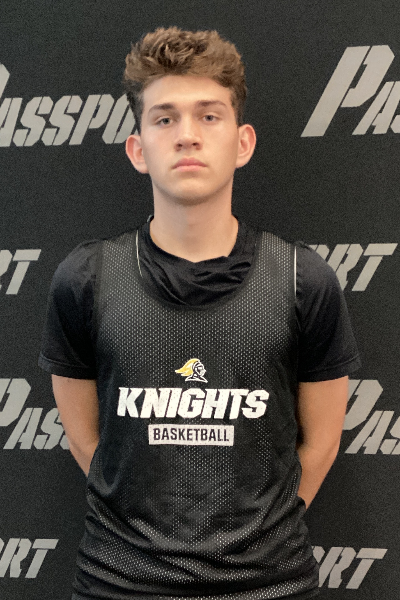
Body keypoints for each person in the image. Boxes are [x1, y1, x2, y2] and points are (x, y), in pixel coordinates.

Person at [39, 27, 361, 600]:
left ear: (242, 142)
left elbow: (321, 446)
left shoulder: (303, 279)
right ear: (139, 149)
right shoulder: (85, 279)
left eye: (209, 116)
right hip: (120, 583)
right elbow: (88, 444)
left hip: (270, 585)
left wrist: (255, 542)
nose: (187, 135)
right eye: (164, 118)